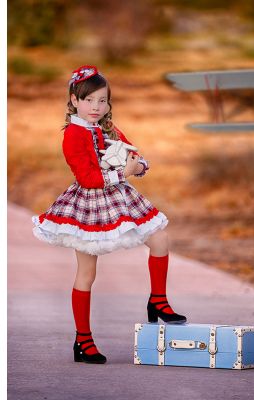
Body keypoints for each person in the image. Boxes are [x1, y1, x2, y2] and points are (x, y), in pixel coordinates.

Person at [32, 65, 187, 365]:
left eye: (102, 101)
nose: (96, 107)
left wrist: (137, 167)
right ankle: (83, 340)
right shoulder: (73, 135)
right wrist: (123, 173)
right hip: (88, 205)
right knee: (87, 274)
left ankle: (158, 301)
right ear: (74, 100)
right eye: (89, 100)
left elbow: (136, 157)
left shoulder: (108, 128)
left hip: (120, 199)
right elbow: (89, 178)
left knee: (160, 237)